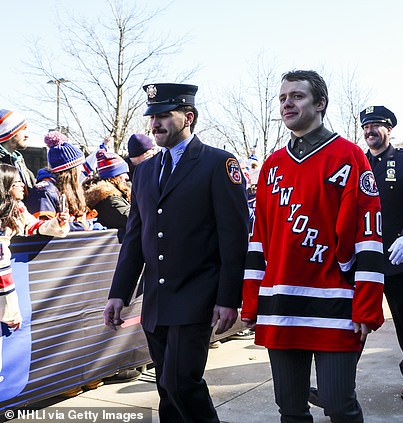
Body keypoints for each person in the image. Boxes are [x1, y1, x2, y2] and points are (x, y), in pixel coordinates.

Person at [242, 70, 384, 422]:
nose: (287, 103)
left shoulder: (349, 156)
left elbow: (369, 236)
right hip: (281, 304)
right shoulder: (272, 164)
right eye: (283, 97)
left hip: (335, 305)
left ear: (320, 103)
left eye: (298, 96)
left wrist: (366, 306)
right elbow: (260, 238)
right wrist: (251, 301)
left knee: (339, 405)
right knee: (289, 408)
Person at [103, 83, 249, 423]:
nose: (155, 124)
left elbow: (234, 237)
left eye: (163, 116)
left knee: (182, 383)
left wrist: (229, 298)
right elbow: (135, 238)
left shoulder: (218, 163)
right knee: (167, 393)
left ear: (188, 117)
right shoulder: (144, 171)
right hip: (157, 300)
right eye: (152, 117)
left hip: (197, 295)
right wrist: (118, 294)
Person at [360, 106, 403, 400]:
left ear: (389, 129)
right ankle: (338, 383)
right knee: (356, 318)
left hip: (398, 257)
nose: (370, 132)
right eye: (366, 127)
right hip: (364, 258)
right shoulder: (355, 162)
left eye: (376, 125)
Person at [0, 163, 69, 336]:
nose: (23, 185)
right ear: (5, 185)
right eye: (17, 182)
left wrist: (58, 222)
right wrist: (10, 312)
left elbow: (33, 225)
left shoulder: (17, 208)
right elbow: (1, 267)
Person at [85, 150, 130, 241]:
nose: (127, 177)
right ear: (114, 176)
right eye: (123, 173)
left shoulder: (113, 195)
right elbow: (131, 218)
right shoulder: (109, 199)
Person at [0, 109, 37, 191]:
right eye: (23, 129)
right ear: (9, 133)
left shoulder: (21, 164)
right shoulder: (2, 165)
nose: (27, 135)